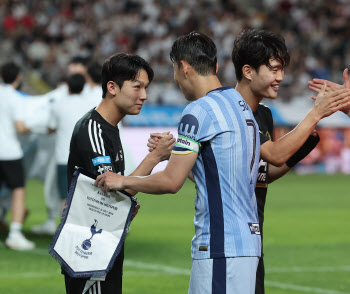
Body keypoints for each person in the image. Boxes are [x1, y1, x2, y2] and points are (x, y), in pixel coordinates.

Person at [95, 32, 261, 294]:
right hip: (247, 243)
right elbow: (219, 172)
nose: (175, 79)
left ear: (184, 67)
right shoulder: (240, 104)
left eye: (174, 70)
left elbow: (172, 182)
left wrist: (123, 180)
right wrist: (174, 155)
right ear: (215, 67)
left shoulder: (198, 111)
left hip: (220, 244)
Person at [231, 29, 350, 294]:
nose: (280, 78)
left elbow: (265, 172)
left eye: (282, 69)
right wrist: (316, 113)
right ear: (248, 71)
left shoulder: (262, 114)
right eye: (274, 70)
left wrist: (303, 146)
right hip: (229, 242)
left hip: (252, 238)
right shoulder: (229, 111)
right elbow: (273, 154)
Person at [64, 53, 175, 294]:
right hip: (89, 253)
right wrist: (154, 158)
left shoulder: (109, 128)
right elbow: (113, 192)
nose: (144, 96)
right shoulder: (93, 129)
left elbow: (119, 188)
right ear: (112, 87)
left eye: (145, 88)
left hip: (104, 245)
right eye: (137, 87)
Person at [48, 73, 97, 213]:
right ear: (83, 87)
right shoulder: (92, 105)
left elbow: (51, 127)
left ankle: (65, 232)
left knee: (66, 198)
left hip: (64, 157)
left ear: (67, 86)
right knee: (88, 198)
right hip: (87, 158)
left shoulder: (58, 105)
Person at [0, 62, 34, 250]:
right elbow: (20, 127)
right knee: (18, 190)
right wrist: (38, 127)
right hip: (9, 151)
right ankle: (15, 233)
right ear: (18, 77)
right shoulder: (15, 98)